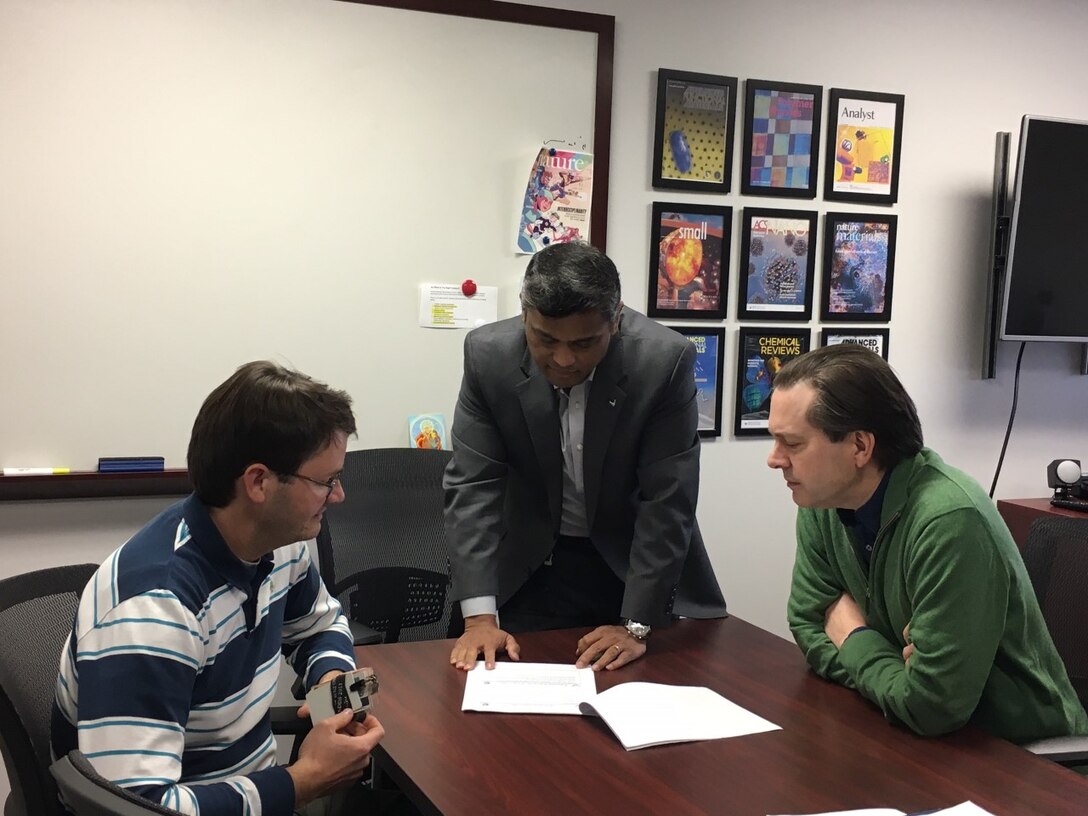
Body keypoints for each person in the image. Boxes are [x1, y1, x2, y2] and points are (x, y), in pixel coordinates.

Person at [51, 362, 403, 816]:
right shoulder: (155, 611)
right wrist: (305, 780)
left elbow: (321, 623)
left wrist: (333, 687)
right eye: (325, 481)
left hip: (250, 790)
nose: (338, 496)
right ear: (259, 482)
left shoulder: (278, 545)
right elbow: (138, 807)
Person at [767, 344, 1088, 742]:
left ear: (860, 447)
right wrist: (894, 676)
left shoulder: (949, 520)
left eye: (793, 444)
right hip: (910, 737)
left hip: (1018, 755)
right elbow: (807, 622)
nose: (774, 459)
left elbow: (932, 706)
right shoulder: (822, 501)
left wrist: (853, 636)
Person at [444, 241, 726, 673]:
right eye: (545, 339)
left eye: (584, 343)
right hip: (528, 565)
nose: (563, 359)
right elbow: (473, 486)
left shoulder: (662, 361)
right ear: (524, 315)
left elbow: (667, 500)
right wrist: (480, 618)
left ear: (616, 320)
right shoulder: (488, 356)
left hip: (629, 568)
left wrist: (635, 624)